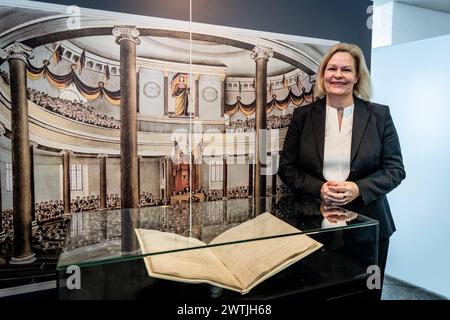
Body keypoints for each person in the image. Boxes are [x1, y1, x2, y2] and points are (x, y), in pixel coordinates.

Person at [278, 43, 405, 299]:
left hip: (369, 228)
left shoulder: (379, 115)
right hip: (313, 226)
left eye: (346, 69)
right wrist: (319, 188)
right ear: (323, 74)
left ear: (357, 76)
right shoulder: (303, 116)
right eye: (332, 68)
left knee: (365, 294)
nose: (339, 75)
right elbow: (287, 168)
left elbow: (395, 169)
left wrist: (359, 188)